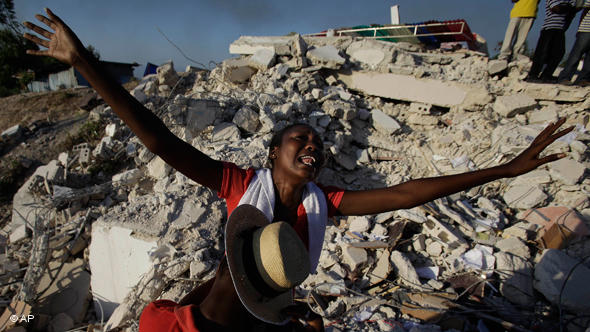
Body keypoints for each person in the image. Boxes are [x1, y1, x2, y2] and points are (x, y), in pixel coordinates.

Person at [24, 8, 573, 332]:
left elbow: (407, 194)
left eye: (318, 142)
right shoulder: (239, 184)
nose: (313, 144)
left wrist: (504, 168)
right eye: (299, 138)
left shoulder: (325, 203)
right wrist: (86, 65)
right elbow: (158, 137)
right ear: (272, 153)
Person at [525, 0, 576, 83]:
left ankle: (546, 75)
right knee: (542, 53)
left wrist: (566, 8)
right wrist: (568, 8)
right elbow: (556, 8)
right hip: (549, 28)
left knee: (559, 53)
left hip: (560, 29)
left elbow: (573, 10)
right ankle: (533, 75)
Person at [558, 0, 590, 85]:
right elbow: (585, 10)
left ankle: (583, 79)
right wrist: (580, 27)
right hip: (587, 29)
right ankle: (565, 77)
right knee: (576, 54)